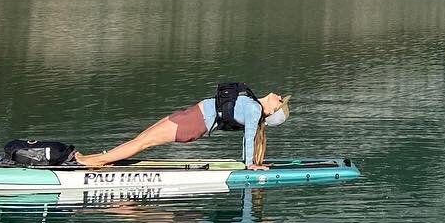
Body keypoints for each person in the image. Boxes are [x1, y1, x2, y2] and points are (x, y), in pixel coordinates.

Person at [76, 85, 290, 169]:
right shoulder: (252, 102)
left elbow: (250, 137)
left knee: (142, 142)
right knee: (141, 139)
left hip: (192, 124)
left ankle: (94, 162)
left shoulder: (254, 111)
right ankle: (103, 160)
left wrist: (250, 164)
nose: (280, 97)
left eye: (282, 103)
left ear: (272, 112)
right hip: (190, 117)